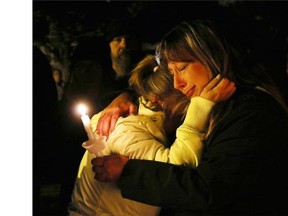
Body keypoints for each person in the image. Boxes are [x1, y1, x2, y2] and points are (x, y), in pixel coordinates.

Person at [92, 20, 288, 215]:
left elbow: (208, 188)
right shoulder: (218, 106)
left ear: (211, 57)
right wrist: (124, 97)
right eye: (171, 72)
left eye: (183, 68)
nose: (177, 84)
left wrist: (130, 171)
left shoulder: (252, 113)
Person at [68, 54, 235, 216]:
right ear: (157, 100)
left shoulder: (140, 123)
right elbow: (175, 171)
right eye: (185, 106)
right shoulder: (129, 132)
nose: (185, 115)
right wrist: (200, 109)